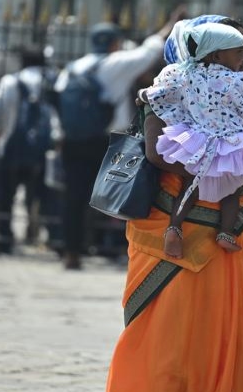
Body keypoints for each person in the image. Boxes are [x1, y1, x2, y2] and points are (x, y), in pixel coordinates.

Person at [102, 12, 243, 392]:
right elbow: (155, 153)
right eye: (232, 49)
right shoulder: (167, 95)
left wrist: (242, 133)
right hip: (173, 240)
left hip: (231, 237)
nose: (242, 59)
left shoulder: (235, 96)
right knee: (172, 344)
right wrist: (207, 162)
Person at [143, 22, 243, 258]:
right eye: (240, 52)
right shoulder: (233, 80)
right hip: (230, 142)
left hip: (198, 141)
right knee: (235, 187)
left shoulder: (183, 73)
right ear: (218, 54)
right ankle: (226, 232)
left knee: (190, 187)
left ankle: (174, 228)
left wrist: (142, 96)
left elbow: (158, 94)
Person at [54, 20, 171, 270]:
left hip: (72, 140)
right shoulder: (115, 63)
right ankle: (119, 246)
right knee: (120, 191)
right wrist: (167, 26)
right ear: (115, 43)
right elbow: (150, 51)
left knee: (74, 197)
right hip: (106, 141)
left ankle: (72, 250)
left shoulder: (73, 68)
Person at [0, 48, 59, 254]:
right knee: (47, 196)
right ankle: (53, 238)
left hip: (11, 147)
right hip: (44, 150)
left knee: (5, 197)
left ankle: (3, 238)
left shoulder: (10, 82)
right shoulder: (53, 79)